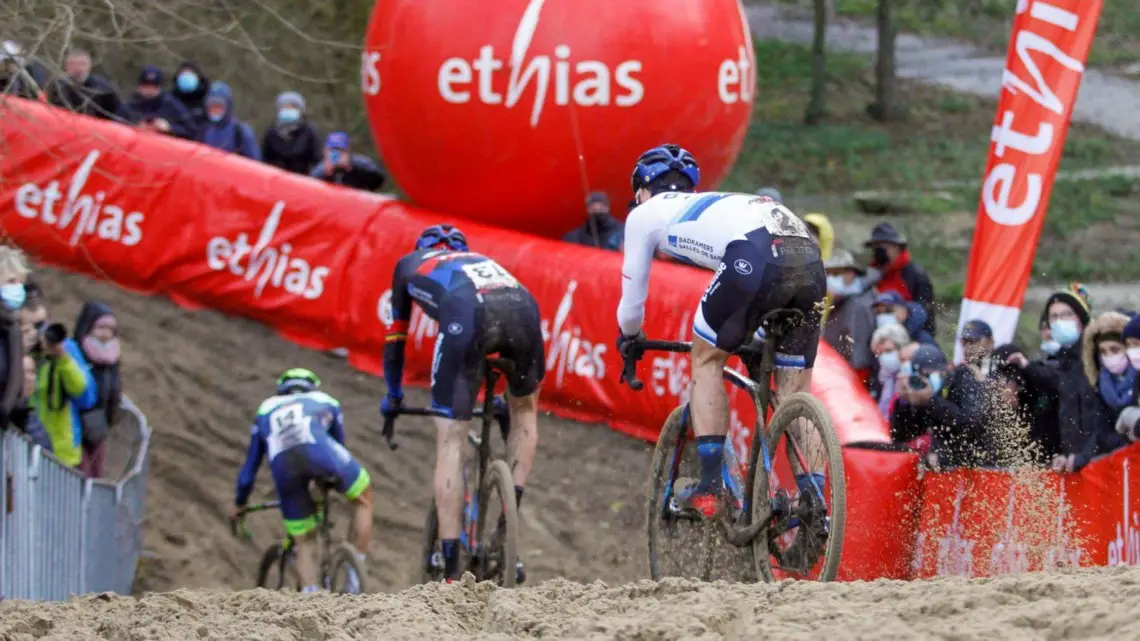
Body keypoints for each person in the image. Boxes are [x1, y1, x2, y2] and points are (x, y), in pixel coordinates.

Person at [615, 144, 827, 524]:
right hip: (808, 258)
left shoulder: (644, 214)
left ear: (641, 191)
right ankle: (815, 503)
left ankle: (711, 488)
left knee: (706, 359)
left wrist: (630, 337)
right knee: (794, 392)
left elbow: (631, 305)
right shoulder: (718, 202)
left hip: (755, 257)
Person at [379, 225, 544, 583]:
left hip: (467, 312)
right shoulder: (480, 260)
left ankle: (452, 570)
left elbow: (395, 340)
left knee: (452, 439)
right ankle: (507, 524)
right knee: (525, 410)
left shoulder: (410, 263)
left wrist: (393, 396)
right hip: (523, 307)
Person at [229, 368, 373, 594]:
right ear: (312, 386)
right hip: (323, 455)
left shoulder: (266, 408)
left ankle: (311, 595)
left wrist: (239, 502)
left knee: (304, 540)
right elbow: (339, 445)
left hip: (285, 468)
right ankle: (355, 576)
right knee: (363, 497)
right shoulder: (326, 400)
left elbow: (250, 468)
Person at [73, 301, 123, 479]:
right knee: (80, 474)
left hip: (99, 426)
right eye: (101, 328)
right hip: (77, 426)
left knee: (96, 475)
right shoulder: (76, 353)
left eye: (111, 329)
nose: (106, 334)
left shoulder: (112, 357)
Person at [864, 222, 936, 336]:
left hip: (908, 335)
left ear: (897, 247)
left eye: (883, 245)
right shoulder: (871, 275)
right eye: (875, 246)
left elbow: (926, 314)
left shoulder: (915, 275)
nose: (879, 250)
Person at [821, 249, 875, 377]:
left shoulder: (858, 305)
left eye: (835, 274)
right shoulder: (843, 300)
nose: (830, 279)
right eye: (828, 275)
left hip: (850, 376)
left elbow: (858, 351)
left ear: (850, 274)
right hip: (837, 369)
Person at [48, 49, 124, 121]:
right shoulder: (58, 87)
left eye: (82, 64)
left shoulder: (102, 87)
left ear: (89, 66)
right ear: (66, 67)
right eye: (73, 64)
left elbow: (116, 113)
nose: (78, 68)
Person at [262, 91, 323, 175]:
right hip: (276, 179)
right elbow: (264, 159)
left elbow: (317, 159)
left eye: (292, 107)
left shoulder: (309, 131)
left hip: (302, 180)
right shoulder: (272, 132)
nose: (288, 110)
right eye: (285, 107)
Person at [125, 65, 194, 139]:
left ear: (160, 88)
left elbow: (191, 132)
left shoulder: (173, 106)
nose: (149, 90)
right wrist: (135, 127)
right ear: (139, 87)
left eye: (154, 86)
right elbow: (117, 128)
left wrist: (169, 128)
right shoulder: (129, 106)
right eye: (146, 86)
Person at [199, 81, 261, 160]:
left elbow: (254, 163)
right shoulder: (203, 130)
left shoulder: (240, 132)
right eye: (212, 106)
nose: (215, 110)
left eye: (218, 106)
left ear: (227, 106)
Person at [310, 132, 386, 192]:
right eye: (332, 150)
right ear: (325, 151)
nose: (336, 154)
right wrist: (326, 174)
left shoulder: (359, 163)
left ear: (347, 151)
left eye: (340, 150)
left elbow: (378, 180)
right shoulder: (321, 169)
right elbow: (311, 189)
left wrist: (352, 167)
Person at [170, 61, 211, 135]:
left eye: (190, 74)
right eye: (184, 74)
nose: (186, 77)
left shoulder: (207, 99)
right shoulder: (170, 100)